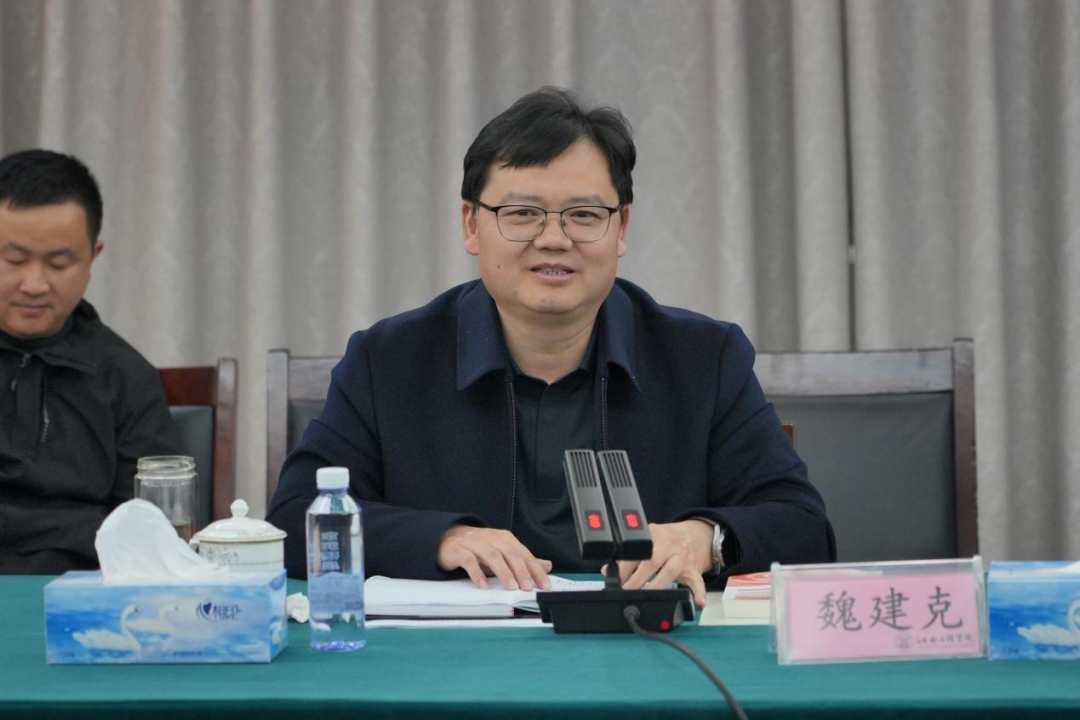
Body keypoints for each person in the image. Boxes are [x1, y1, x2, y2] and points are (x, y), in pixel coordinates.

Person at [267, 88, 835, 607]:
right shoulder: (389, 360)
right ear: (472, 226)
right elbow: (294, 523)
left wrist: (701, 538)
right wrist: (441, 538)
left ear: (621, 229)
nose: (554, 239)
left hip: (644, 649)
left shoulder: (702, 359)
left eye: (584, 215)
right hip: (459, 659)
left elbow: (805, 527)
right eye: (522, 214)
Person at [0, 149, 182, 574]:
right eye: (14, 260)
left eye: (59, 263)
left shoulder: (125, 377)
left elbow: (149, 529)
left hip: (82, 588)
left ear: (92, 257)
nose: (34, 284)